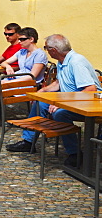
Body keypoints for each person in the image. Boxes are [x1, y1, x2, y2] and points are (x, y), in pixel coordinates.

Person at [7, 34, 102, 166]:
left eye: (46, 48)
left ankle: (75, 153)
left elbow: (90, 90)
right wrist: (43, 91)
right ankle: (28, 142)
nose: (46, 50)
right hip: (72, 101)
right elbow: (59, 82)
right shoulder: (62, 61)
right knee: (40, 103)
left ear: (53, 50)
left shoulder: (76, 62)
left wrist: (63, 103)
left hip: (88, 104)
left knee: (60, 113)